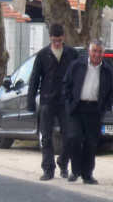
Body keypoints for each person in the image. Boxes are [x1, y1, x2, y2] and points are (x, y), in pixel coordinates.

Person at [27, 23, 78, 180]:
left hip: (65, 101)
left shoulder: (72, 54)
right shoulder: (42, 55)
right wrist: (30, 101)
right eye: (54, 40)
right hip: (47, 100)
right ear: (50, 38)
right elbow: (34, 79)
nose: (57, 43)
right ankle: (48, 169)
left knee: (70, 136)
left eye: (59, 40)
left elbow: (78, 77)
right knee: (46, 137)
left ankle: (63, 162)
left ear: (63, 38)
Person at [62, 39, 113, 184]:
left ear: (103, 53)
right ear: (89, 51)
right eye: (94, 51)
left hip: (95, 110)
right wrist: (69, 103)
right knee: (74, 138)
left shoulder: (108, 71)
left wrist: (105, 106)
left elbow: (111, 92)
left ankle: (87, 174)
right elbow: (66, 85)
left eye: (99, 52)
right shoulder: (77, 65)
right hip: (77, 108)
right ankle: (75, 170)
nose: (97, 54)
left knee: (91, 143)